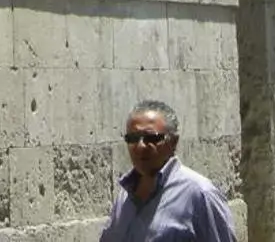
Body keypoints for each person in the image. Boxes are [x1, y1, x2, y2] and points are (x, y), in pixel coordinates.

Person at [101, 100, 237, 242]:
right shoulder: (125, 197)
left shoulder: (201, 195)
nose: (140, 146)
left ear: (173, 142)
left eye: (151, 138)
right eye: (133, 139)